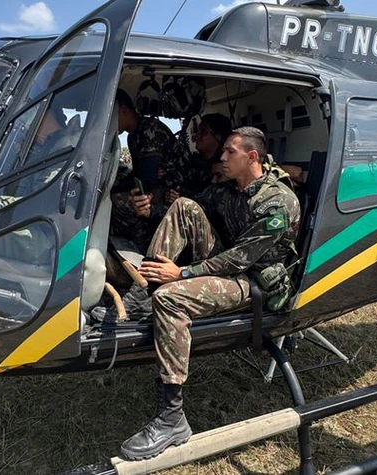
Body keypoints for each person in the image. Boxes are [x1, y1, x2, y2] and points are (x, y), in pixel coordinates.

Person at [118, 126, 300, 461]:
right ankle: (137, 298)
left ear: (252, 157)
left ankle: (172, 418)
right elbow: (195, 207)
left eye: (230, 152)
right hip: (229, 264)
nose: (222, 157)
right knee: (185, 206)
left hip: (254, 281)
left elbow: (242, 257)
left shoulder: (278, 202)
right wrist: (151, 211)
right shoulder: (231, 188)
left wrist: (183, 273)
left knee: (170, 298)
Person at [110, 89, 190, 253]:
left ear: (124, 111)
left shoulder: (149, 129)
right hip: (156, 187)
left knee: (116, 201)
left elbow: (148, 177)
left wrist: (115, 189)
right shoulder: (133, 136)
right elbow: (139, 173)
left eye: (112, 116)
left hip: (173, 189)